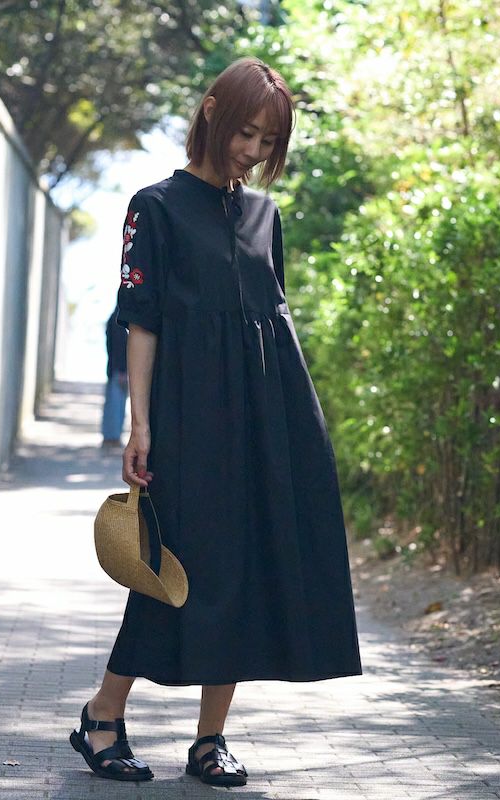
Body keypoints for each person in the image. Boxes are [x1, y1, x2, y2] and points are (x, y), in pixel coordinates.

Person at [70, 56, 363, 787]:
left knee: (247, 564)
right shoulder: (155, 207)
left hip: (268, 417)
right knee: (178, 565)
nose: (253, 151)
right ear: (211, 113)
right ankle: (103, 713)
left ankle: (210, 740)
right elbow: (142, 322)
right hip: (188, 417)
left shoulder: (266, 216)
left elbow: (271, 319)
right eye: (245, 133)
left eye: (268, 141)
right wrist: (140, 425)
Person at [100, 305, 128, 450]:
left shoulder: (115, 318)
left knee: (115, 405)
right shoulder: (119, 321)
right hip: (118, 370)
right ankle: (112, 437)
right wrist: (122, 370)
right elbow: (119, 348)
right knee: (115, 406)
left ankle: (112, 436)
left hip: (116, 370)